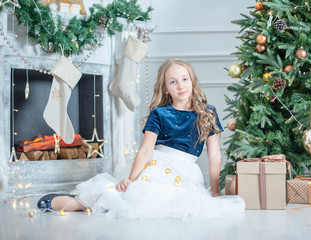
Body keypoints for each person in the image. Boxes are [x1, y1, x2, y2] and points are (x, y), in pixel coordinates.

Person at [37, 58, 245, 219]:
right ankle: (78, 203)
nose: (180, 86)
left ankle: (94, 201)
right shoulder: (160, 114)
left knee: (164, 202)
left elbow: (214, 153)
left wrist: (215, 191)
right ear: (165, 89)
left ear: (192, 81)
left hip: (186, 171)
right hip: (156, 162)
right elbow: (146, 150)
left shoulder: (207, 113)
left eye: (184, 79)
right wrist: (131, 178)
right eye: (173, 82)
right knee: (134, 193)